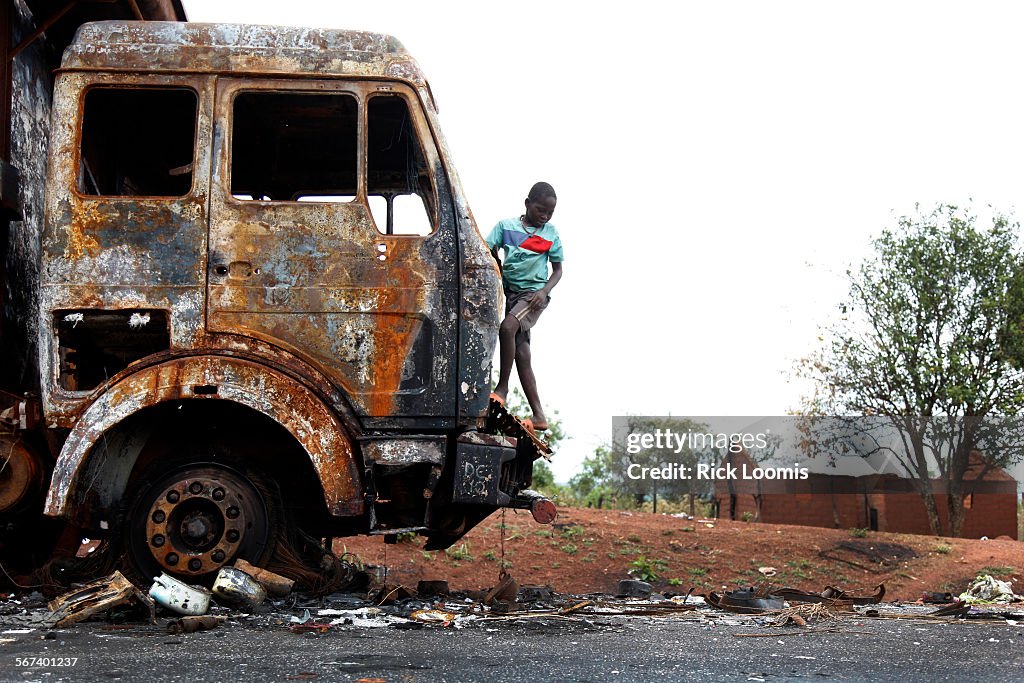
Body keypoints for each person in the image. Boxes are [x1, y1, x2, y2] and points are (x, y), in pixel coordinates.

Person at [485, 181, 564, 432]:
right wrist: (496, 261)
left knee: (507, 328)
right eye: (541, 209)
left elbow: (558, 270)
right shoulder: (505, 227)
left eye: (550, 212)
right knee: (521, 352)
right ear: (528, 203)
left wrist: (544, 291)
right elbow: (487, 249)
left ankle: (502, 388)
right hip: (512, 294)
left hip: (533, 297)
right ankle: (539, 416)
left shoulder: (550, 233)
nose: (545, 215)